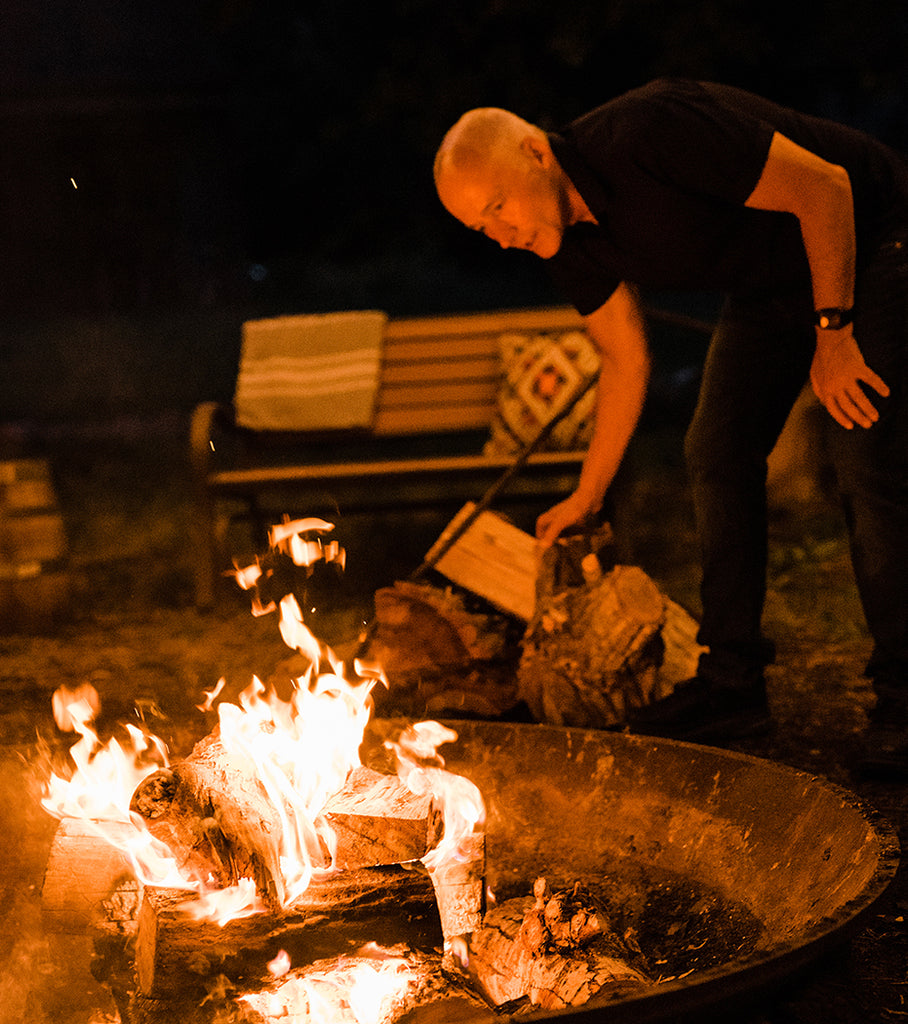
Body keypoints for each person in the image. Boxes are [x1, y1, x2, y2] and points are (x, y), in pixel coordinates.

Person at [433, 79, 908, 773]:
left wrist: (834, 336)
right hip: (770, 286)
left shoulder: (652, 134)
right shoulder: (564, 244)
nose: (503, 238)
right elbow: (625, 360)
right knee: (715, 449)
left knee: (864, 453)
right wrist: (586, 496)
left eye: (498, 208)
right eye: (483, 229)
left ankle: (903, 695)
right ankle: (732, 683)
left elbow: (825, 187)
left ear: (536, 152)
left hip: (874, 240)